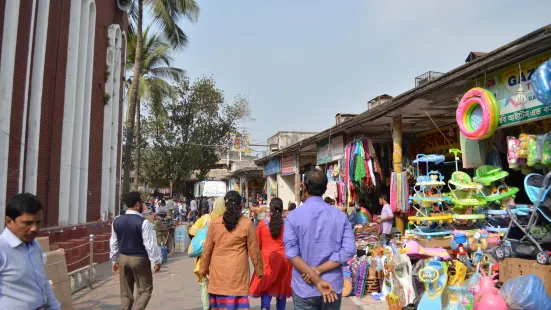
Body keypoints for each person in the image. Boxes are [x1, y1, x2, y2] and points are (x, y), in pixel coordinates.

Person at [284, 169, 356, 309]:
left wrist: (314, 274)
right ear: (324, 189)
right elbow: (349, 249)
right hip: (331, 286)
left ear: (304, 187)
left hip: (305, 286)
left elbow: (292, 254)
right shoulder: (340, 216)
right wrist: (318, 272)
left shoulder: (292, 217)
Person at [200, 191, 264, 310]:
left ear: (225, 205)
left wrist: (203, 269)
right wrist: (259, 271)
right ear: (241, 205)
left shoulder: (215, 223)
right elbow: (254, 251)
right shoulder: (246, 223)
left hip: (217, 274)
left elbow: (207, 250)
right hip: (237, 275)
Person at [0, 193, 60, 309]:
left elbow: (43, 282)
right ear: (8, 221)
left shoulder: (34, 246)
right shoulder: (2, 249)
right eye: (27, 223)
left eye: (38, 223)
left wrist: (54, 307)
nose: (34, 229)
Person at [110, 192, 162, 310]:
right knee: (145, 290)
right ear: (137, 203)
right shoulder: (143, 222)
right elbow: (149, 245)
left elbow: (113, 242)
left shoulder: (116, 220)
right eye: (141, 203)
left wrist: (115, 260)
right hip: (139, 258)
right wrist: (157, 261)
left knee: (126, 291)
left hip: (123, 257)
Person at [250, 197, 293, 310]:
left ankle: (265, 307)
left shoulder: (262, 225)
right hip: (284, 261)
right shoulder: (287, 225)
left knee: (266, 288)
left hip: (266, 260)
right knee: (281, 289)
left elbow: (257, 245)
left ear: (271, 207)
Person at [189, 197, 226, 310]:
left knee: (204, 286)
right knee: (219, 287)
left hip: (204, 259)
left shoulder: (206, 218)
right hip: (220, 260)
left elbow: (191, 232)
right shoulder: (227, 220)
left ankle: (206, 307)